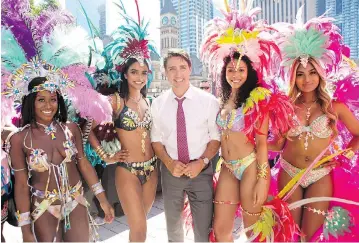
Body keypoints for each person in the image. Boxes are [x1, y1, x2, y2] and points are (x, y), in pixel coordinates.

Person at [200, 2, 297, 241]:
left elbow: (262, 143)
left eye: (241, 70)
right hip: (227, 167)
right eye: (231, 70)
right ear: (224, 73)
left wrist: (263, 179)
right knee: (221, 230)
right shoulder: (222, 99)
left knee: (253, 231)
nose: (235, 75)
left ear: (249, 72)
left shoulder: (257, 98)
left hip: (251, 166)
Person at [269, 7, 359, 241]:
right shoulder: (286, 106)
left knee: (309, 236)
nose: (306, 79)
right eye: (300, 74)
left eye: (312, 73)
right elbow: (278, 145)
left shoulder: (334, 107)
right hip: (289, 172)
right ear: (293, 77)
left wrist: (346, 154)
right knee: (288, 234)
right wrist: (256, 143)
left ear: (320, 75)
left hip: (320, 175)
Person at [5, 70, 114, 242]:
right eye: (41, 100)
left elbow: (84, 165)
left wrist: (103, 200)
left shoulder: (71, 129)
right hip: (43, 206)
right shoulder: (20, 139)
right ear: (30, 102)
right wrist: (25, 229)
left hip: (76, 200)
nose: (48, 105)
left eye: (53, 99)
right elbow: (21, 185)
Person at [86, 1, 160, 241]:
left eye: (143, 72)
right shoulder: (115, 101)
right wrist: (105, 155)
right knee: (139, 228)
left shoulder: (149, 102)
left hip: (152, 170)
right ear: (125, 75)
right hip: (127, 171)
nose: (139, 77)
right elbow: (88, 126)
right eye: (134, 72)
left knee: (139, 228)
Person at [151, 48, 221, 242]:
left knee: (203, 229)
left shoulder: (208, 102)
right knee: (173, 230)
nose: (178, 74)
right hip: (171, 171)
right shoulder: (157, 104)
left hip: (201, 171)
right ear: (165, 72)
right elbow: (156, 140)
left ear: (190, 69)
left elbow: (215, 138)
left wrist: (202, 162)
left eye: (182, 67)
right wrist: (168, 163)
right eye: (172, 69)